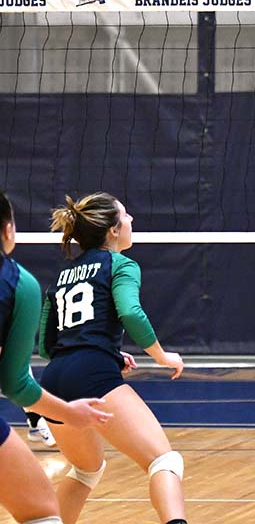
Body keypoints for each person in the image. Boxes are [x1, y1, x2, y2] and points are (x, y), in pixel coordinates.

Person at [39, 193, 187, 524]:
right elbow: (131, 313)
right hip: (92, 374)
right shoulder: (121, 265)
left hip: (54, 379)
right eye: (126, 214)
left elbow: (48, 345)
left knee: (87, 469)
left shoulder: (61, 275)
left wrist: (107, 350)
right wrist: (162, 356)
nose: (132, 218)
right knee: (164, 461)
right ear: (113, 229)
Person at [0, 189, 112, 524]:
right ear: (8, 230)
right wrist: (69, 413)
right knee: (43, 513)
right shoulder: (19, 284)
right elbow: (15, 384)